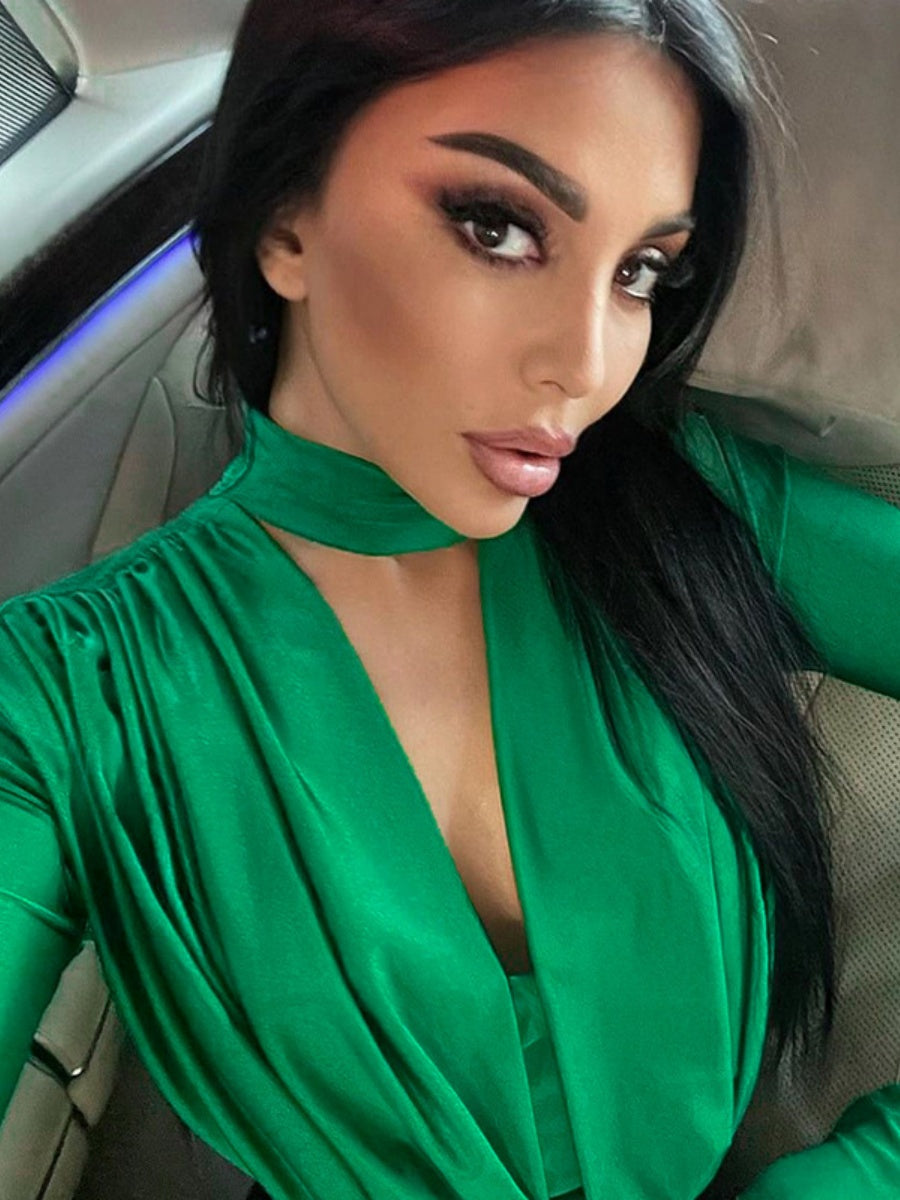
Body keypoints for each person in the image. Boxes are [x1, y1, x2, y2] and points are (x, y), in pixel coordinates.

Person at [1, 0, 899, 1197]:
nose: (585, 364)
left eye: (641, 273)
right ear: (285, 217)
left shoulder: (690, 519)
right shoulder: (65, 695)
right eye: (499, 226)